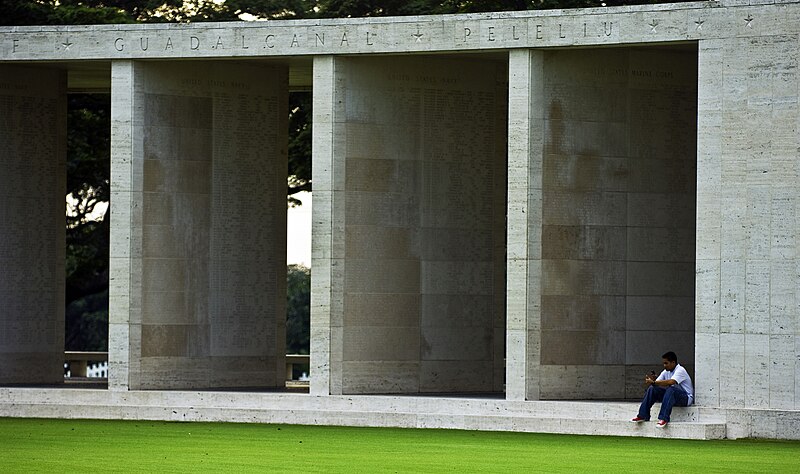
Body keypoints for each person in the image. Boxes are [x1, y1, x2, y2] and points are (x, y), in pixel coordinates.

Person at [630, 351, 694, 428]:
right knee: (652, 388)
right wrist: (653, 381)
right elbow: (657, 383)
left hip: (685, 398)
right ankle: (643, 415)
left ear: (673, 362)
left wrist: (654, 382)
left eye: (666, 363)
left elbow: (671, 382)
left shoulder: (680, 370)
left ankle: (663, 418)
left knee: (671, 389)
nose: (664, 366)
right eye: (663, 363)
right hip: (672, 396)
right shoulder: (666, 371)